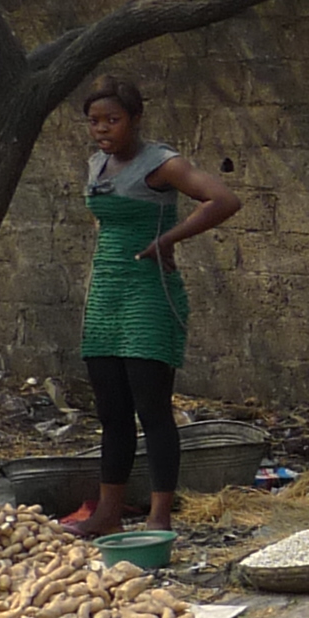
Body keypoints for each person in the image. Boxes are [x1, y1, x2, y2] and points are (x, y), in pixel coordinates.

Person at [64, 75, 240, 537]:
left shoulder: (161, 164)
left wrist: (167, 238)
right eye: (94, 121)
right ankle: (108, 511)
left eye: (113, 120)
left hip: (148, 294)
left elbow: (223, 199)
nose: (102, 129)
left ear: (136, 119)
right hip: (107, 292)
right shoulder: (96, 165)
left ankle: (159, 517)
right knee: (111, 411)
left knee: (152, 407)